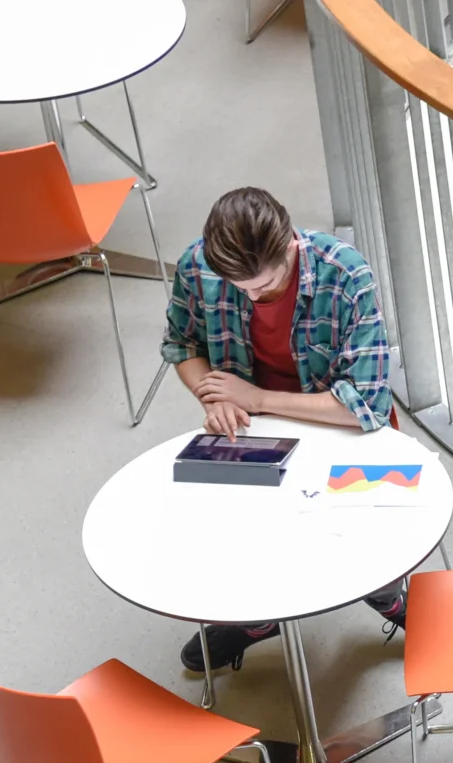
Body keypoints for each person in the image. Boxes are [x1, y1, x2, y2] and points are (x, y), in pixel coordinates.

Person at [160, 187, 401, 678]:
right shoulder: (196, 264)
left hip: (345, 429)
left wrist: (254, 397)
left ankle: (387, 597)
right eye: (239, 286)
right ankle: (260, 621)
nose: (251, 295)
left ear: (291, 247)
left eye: (264, 284)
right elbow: (181, 343)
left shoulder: (346, 272)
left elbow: (366, 407)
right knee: (247, 538)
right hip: (253, 433)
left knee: (366, 538)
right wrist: (215, 396)